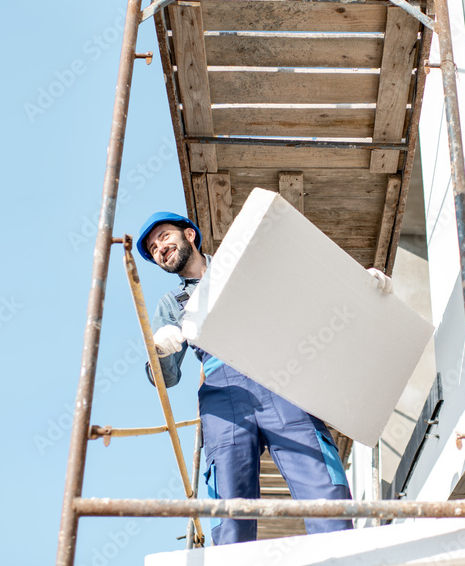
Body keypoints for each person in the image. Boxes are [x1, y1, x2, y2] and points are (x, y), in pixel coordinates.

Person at [135, 210, 390, 546]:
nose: (160, 248)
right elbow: (166, 380)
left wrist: (357, 285)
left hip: (277, 375)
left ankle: (342, 552)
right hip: (222, 393)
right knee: (229, 495)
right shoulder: (171, 304)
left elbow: (304, 291)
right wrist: (159, 353)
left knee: (319, 478)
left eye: (164, 237)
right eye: (153, 249)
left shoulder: (240, 262)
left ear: (190, 235)